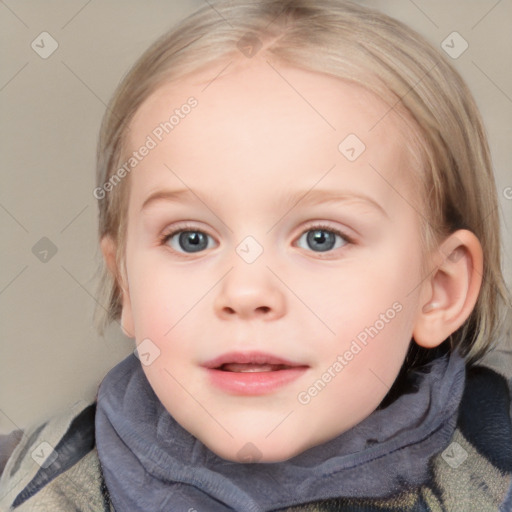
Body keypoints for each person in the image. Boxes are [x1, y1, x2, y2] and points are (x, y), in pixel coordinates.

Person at [1, 0, 511, 510]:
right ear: (126, 285)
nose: (245, 293)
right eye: (191, 238)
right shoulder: (23, 484)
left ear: (439, 289)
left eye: (321, 238)